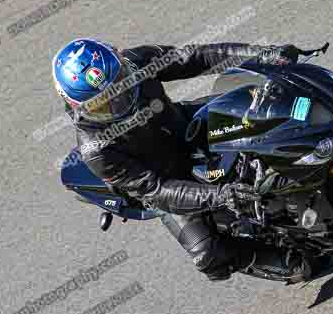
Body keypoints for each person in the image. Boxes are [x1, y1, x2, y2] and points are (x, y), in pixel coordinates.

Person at [52, 37, 313, 282]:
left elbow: (195, 57)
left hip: (185, 126)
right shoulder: (96, 149)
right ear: (77, 105)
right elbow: (156, 190)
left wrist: (261, 55)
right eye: (103, 103)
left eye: (122, 82)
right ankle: (279, 258)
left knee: (269, 106)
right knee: (208, 255)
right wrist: (220, 196)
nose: (120, 99)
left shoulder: (137, 61)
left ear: (122, 62)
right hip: (167, 179)